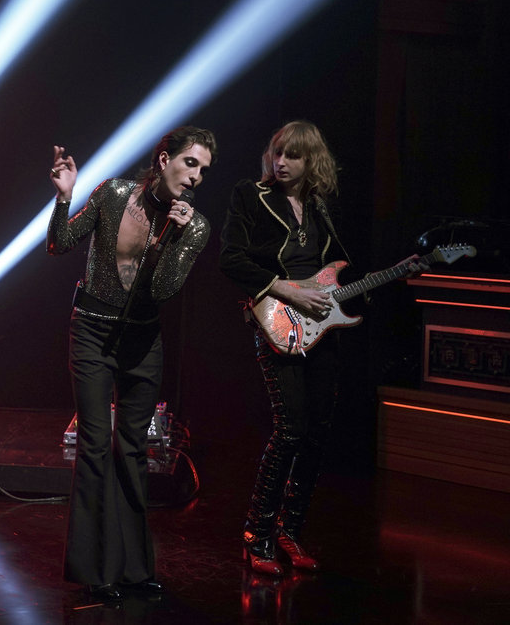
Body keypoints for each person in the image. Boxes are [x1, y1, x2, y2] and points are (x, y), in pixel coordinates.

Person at [219, 121, 424, 576]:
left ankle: (289, 531)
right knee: (290, 428)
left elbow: (336, 278)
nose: (281, 162)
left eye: (292, 155)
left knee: (316, 433)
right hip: (277, 319)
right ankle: (256, 534)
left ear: (312, 161)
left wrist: (395, 272)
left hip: (321, 329)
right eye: (277, 152)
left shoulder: (319, 210)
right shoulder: (251, 195)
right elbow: (230, 257)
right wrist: (286, 289)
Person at [47, 126, 215, 601]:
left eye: (204, 170)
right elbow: (59, 244)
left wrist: (173, 239)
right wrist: (64, 197)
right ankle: (95, 570)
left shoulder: (195, 227)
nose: (196, 176)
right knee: (95, 444)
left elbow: (161, 290)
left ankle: (134, 570)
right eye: (190, 163)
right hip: (93, 332)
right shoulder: (113, 194)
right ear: (164, 160)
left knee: (133, 448)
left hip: (142, 341)